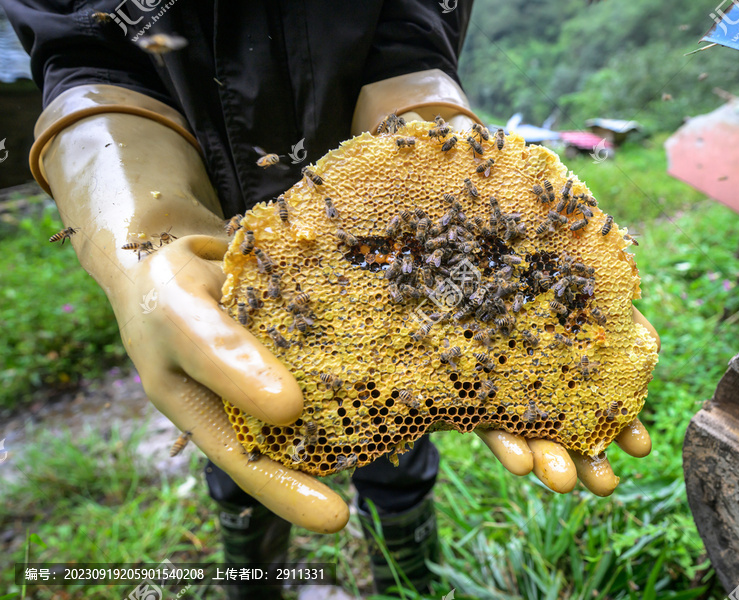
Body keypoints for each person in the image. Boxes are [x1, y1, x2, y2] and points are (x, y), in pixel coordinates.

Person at [2, 1, 659, 597]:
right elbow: (82, 46)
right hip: (226, 241)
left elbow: (412, 25)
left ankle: (409, 579)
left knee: (399, 425)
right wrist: (139, 222)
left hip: (390, 223)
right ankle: (256, 580)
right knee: (245, 422)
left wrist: (425, 114)